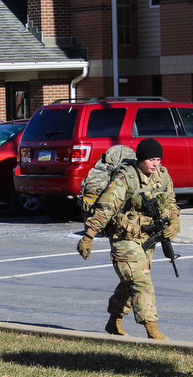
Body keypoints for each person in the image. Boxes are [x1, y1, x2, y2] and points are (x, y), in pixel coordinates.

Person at [77, 138, 180, 340]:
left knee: (130, 281)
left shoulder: (162, 175)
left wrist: (174, 221)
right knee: (140, 280)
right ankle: (152, 328)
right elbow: (106, 208)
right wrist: (88, 236)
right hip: (123, 237)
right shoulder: (126, 177)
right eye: (151, 159)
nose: (156, 163)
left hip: (147, 236)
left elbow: (170, 201)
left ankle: (114, 319)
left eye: (158, 159)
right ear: (141, 158)